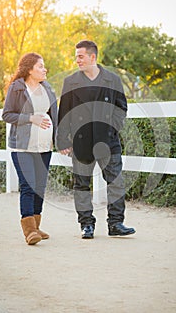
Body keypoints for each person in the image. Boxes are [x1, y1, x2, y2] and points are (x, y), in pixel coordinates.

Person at [56, 40, 136, 239]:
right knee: (82, 184)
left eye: (81, 56)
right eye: (76, 57)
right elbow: (63, 112)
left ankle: (116, 223)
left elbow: (121, 107)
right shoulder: (70, 81)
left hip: (108, 141)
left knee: (116, 182)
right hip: (81, 141)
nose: (77, 60)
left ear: (93, 57)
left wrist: (112, 128)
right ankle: (86, 225)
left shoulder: (112, 80)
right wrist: (63, 141)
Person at [2, 52, 57, 245]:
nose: (44, 69)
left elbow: (54, 116)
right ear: (30, 69)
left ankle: (36, 226)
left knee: (40, 187)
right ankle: (29, 231)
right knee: (28, 185)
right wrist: (30, 118)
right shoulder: (17, 88)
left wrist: (60, 140)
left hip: (44, 146)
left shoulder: (47, 88)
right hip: (23, 147)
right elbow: (7, 115)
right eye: (41, 66)